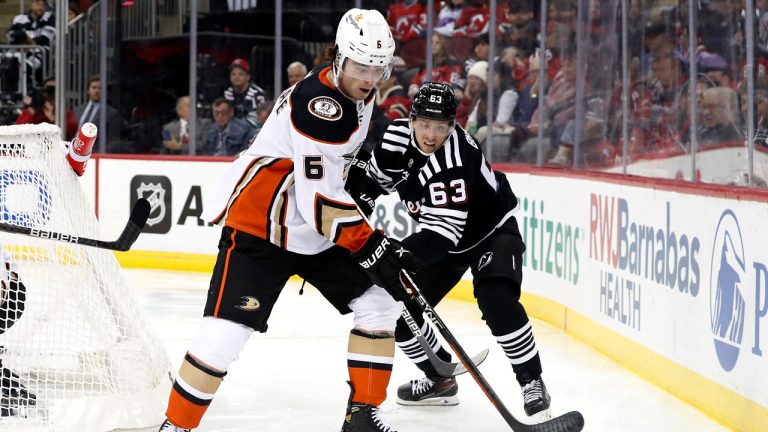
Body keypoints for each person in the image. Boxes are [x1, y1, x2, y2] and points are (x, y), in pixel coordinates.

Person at [158, 8, 418, 432]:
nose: (369, 77)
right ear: (338, 57)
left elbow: (334, 174)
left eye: (378, 67)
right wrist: (370, 244)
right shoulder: (320, 106)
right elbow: (320, 201)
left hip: (314, 231)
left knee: (378, 300)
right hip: (264, 225)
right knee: (224, 336)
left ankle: (362, 417)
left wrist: (366, 194)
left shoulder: (360, 93)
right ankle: (176, 426)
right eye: (360, 65)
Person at [346, 82, 552, 419]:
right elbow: (371, 187)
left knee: (496, 299)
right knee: (399, 311)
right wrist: (349, 221)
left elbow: (442, 237)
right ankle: (440, 380)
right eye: (424, 124)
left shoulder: (454, 159)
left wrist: (394, 253)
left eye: (440, 127)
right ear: (411, 120)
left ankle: (532, 380)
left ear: (452, 126)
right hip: (442, 239)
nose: (430, 134)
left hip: (491, 232)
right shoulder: (395, 138)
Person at [74, 75, 124, 148]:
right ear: (88, 90)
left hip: (95, 154)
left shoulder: (111, 114)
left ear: (106, 92)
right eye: (94, 87)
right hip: (73, 151)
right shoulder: (78, 109)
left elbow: (113, 141)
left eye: (100, 88)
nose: (97, 91)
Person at [223, 58, 267, 127]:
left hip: (254, 131)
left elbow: (258, 121)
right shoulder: (227, 94)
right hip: (233, 131)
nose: (236, 77)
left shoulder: (258, 94)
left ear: (248, 77)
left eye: (240, 74)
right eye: (233, 74)